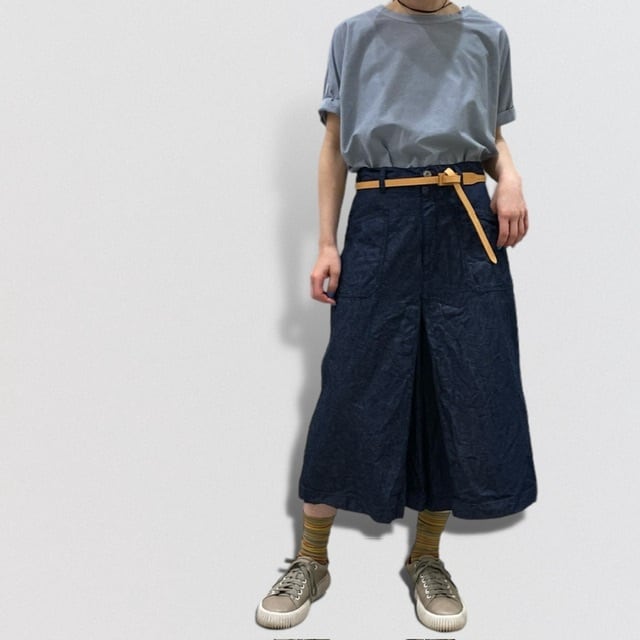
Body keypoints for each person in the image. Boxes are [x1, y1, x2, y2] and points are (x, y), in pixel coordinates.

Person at [256, 0, 537, 632]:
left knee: (458, 385)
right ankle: (311, 560)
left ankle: (427, 557)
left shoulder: (487, 36)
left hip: (465, 221)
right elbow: (334, 145)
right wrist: (326, 243)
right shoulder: (354, 36)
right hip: (381, 218)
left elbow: (490, 136)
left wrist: (511, 176)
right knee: (352, 385)